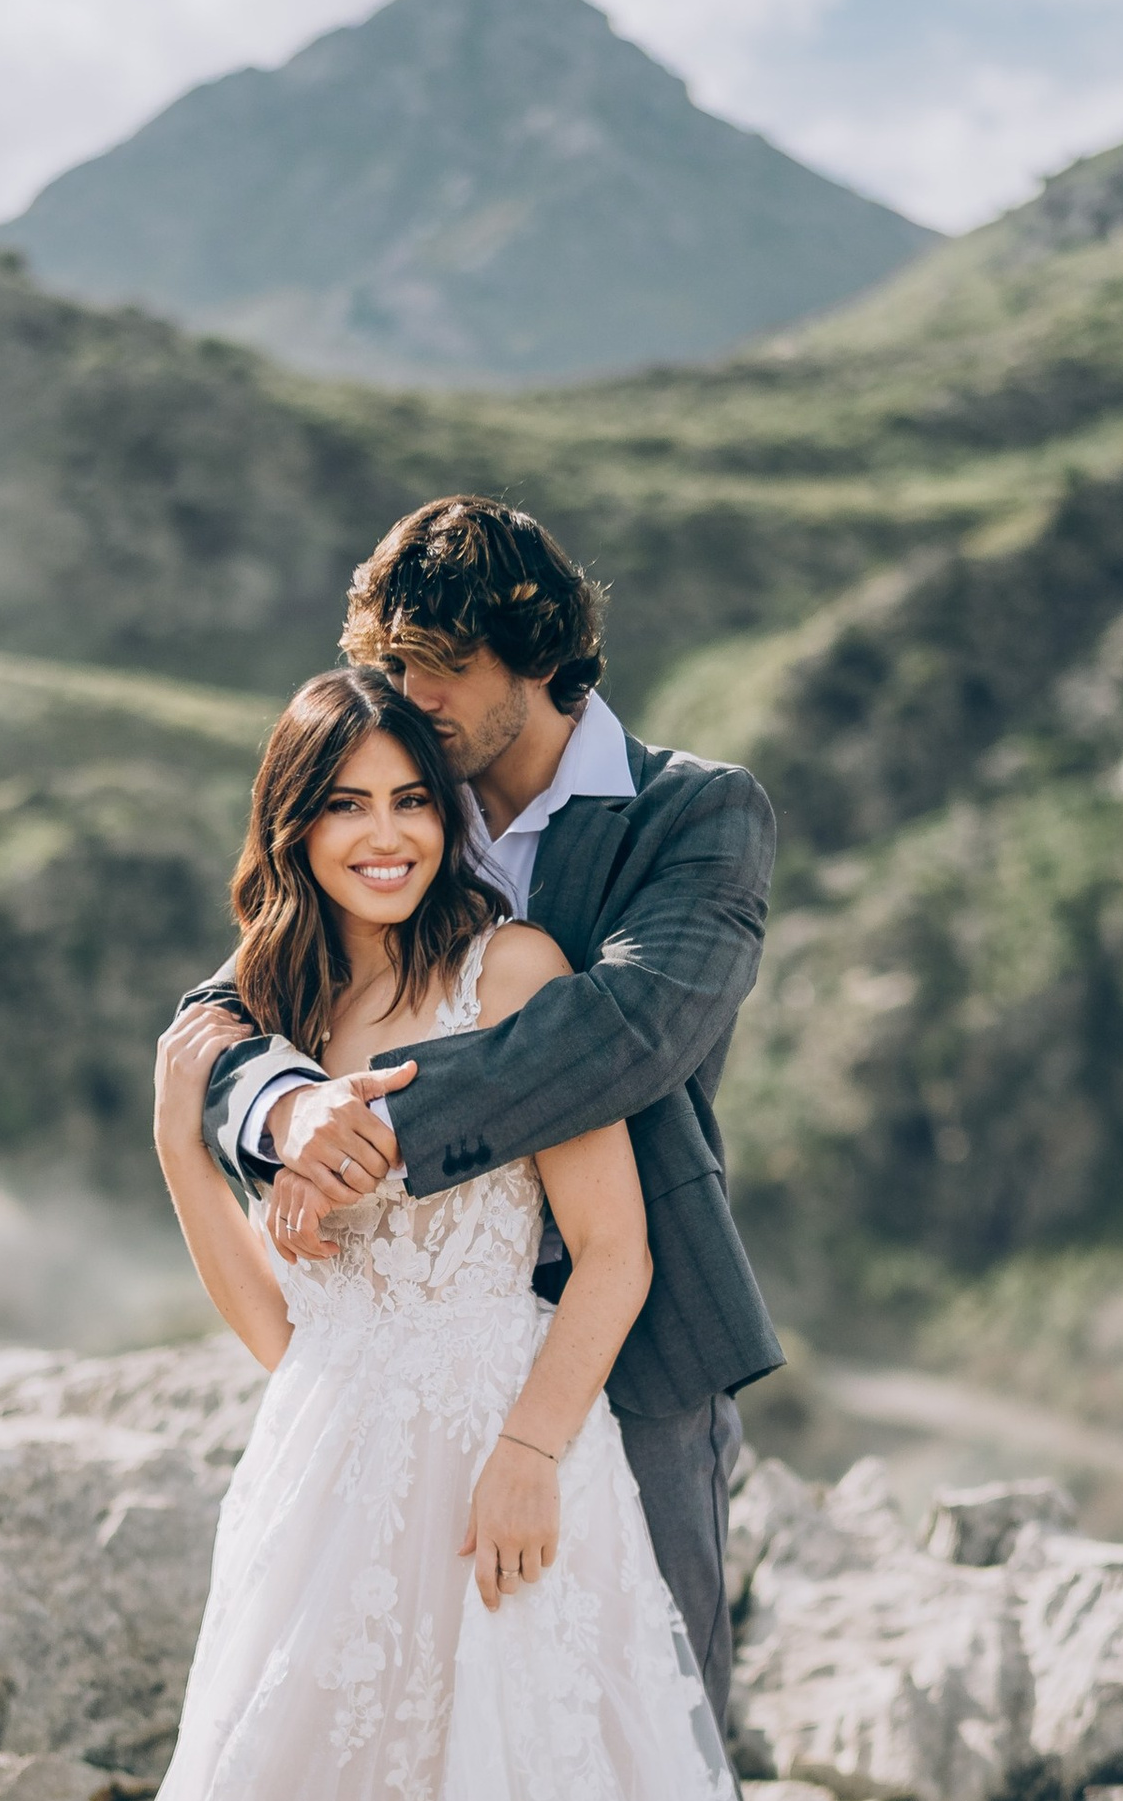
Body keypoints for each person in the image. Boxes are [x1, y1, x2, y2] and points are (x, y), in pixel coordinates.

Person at [0, 665, 828, 1801]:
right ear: (297, 825)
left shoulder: (516, 969)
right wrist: (182, 1143)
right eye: (348, 805)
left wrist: (532, 1450)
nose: (386, 834)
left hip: (505, 1459)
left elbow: (609, 1257)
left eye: (413, 800)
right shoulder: (270, 1029)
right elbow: (282, 1331)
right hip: (329, 1472)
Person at [195, 497, 783, 1735]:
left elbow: (630, 1030)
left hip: (634, 1332)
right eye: (387, 668)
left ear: (535, 650)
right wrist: (282, 1105)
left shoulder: (697, 815)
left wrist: (370, 1128)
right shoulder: (402, 799)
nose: (407, 697)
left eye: (434, 669)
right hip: (405, 1371)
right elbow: (222, 1010)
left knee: (651, 1734)